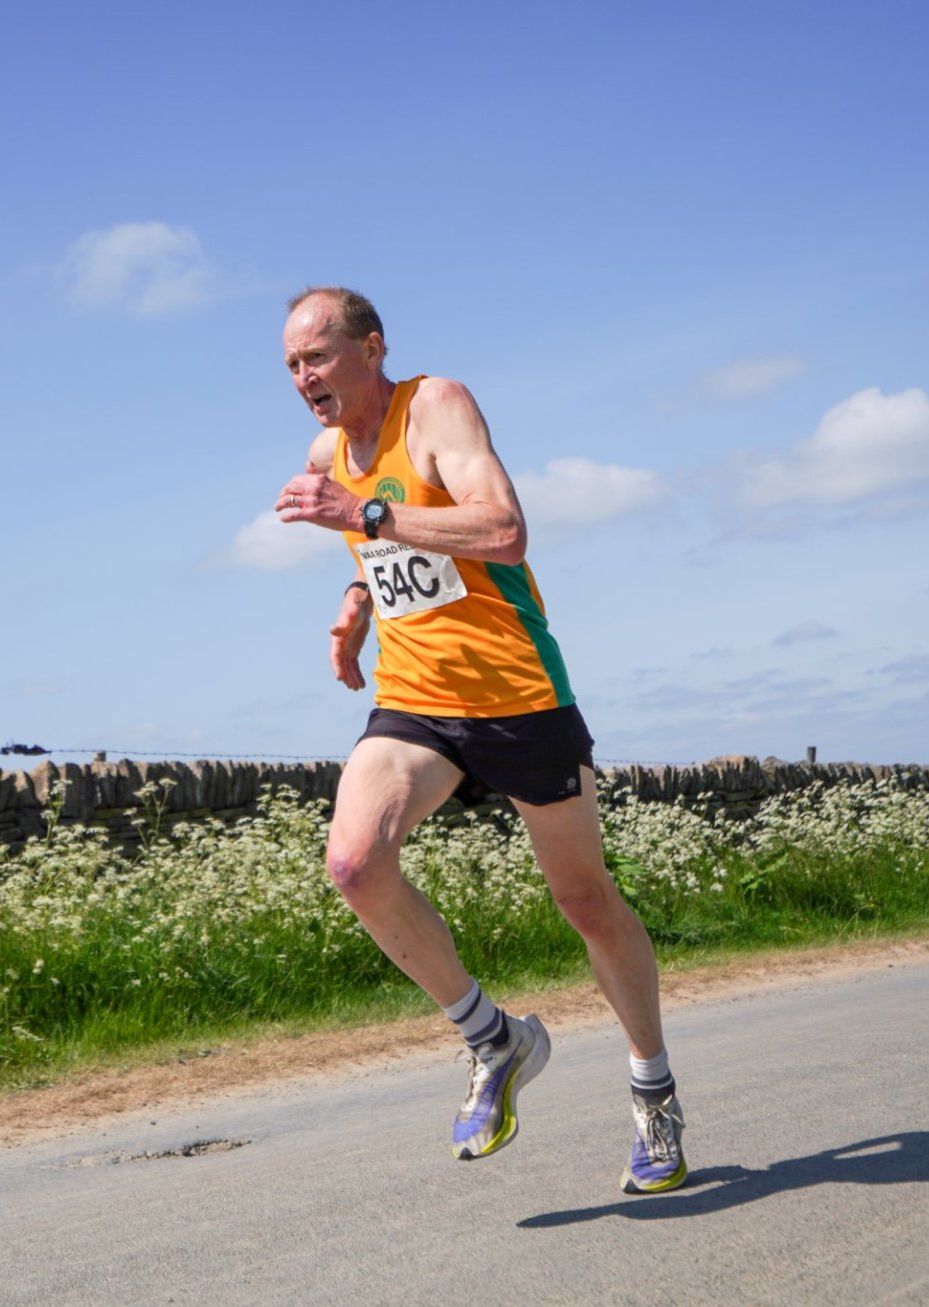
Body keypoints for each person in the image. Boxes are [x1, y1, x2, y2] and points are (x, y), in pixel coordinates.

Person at [272, 286, 686, 1194]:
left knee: (584, 900)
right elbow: (383, 561)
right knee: (353, 863)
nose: (303, 376)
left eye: (319, 355)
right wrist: (352, 611)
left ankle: (652, 1090)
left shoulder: (438, 406)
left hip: (518, 695)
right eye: (292, 363)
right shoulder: (327, 450)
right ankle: (491, 1036)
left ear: (371, 347)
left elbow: (500, 530)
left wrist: (363, 516)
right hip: (418, 701)